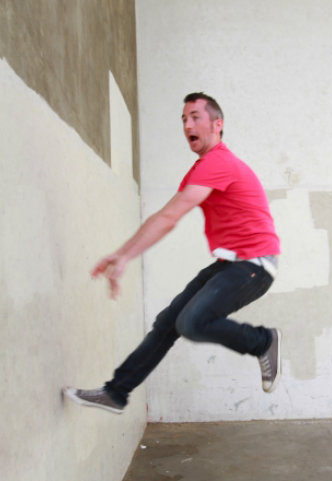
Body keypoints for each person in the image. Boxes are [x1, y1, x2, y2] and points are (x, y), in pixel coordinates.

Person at [64, 93, 282, 414]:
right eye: (183, 119)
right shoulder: (203, 168)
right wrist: (122, 253)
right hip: (229, 263)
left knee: (192, 322)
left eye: (195, 117)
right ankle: (116, 393)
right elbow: (166, 217)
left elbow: (168, 218)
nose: (187, 125)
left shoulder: (218, 162)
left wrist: (123, 256)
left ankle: (264, 341)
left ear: (217, 124)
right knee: (168, 323)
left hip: (254, 266)